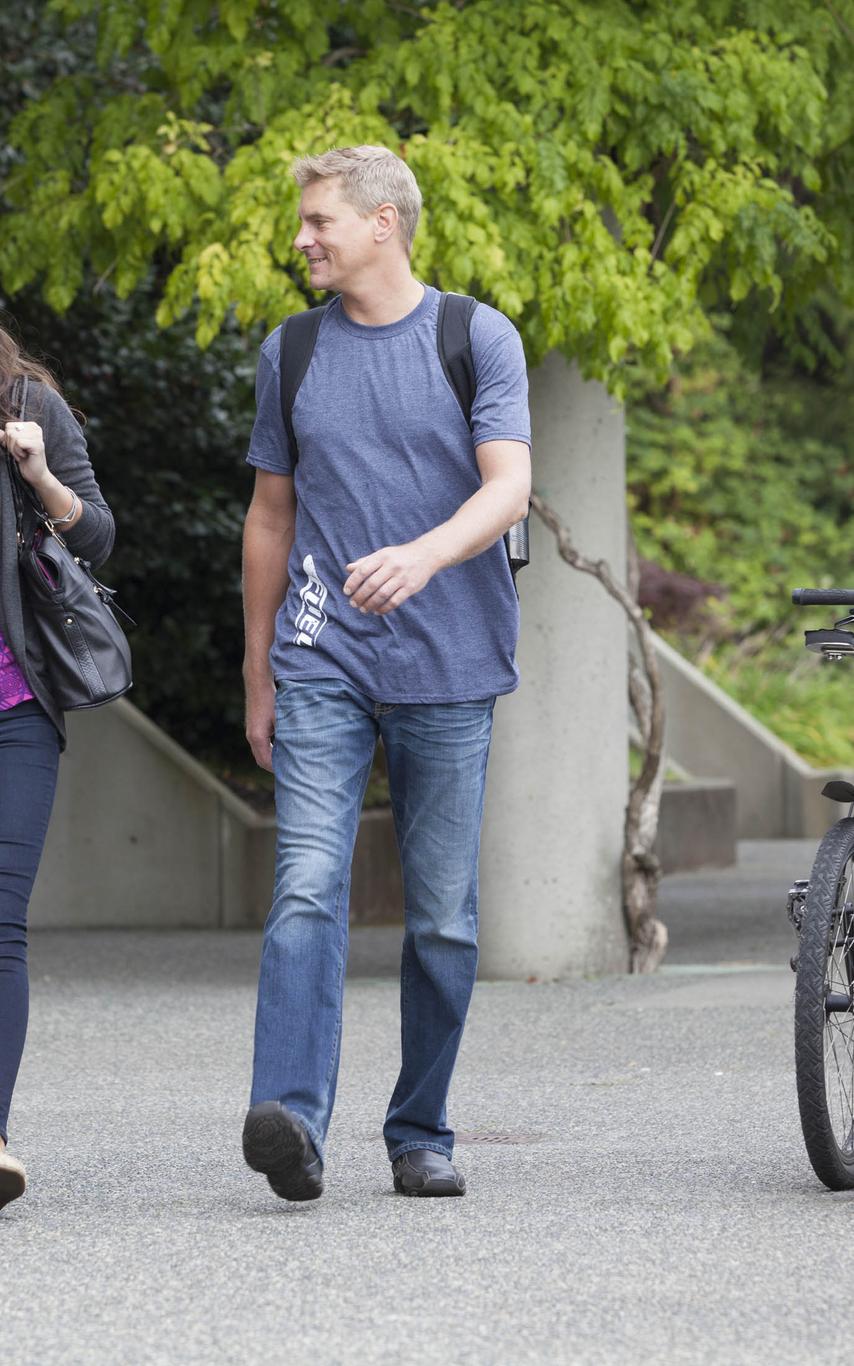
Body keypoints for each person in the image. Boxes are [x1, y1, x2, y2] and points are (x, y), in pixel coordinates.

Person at [240, 145, 531, 1200]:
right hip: (321, 655)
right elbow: (269, 516)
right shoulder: (292, 350)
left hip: (450, 661)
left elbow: (508, 486)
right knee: (306, 884)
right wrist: (258, 673)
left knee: (442, 916)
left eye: (319, 220)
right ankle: (291, 1120)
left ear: (382, 223)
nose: (302, 238)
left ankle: (419, 1128)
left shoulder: (474, 336)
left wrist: (423, 556)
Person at [0, 329, 115, 1211]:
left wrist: (40, 477)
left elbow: (98, 535)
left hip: (14, 712)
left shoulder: (28, 403)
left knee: (0, 925)